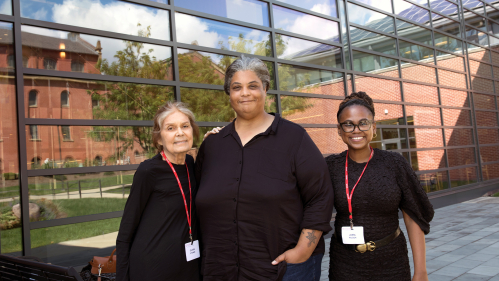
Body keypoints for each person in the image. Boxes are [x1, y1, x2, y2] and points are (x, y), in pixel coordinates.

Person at [195, 56, 334, 281]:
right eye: (236, 87)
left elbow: (320, 195)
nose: (245, 93)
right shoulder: (213, 145)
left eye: (253, 86)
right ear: (228, 93)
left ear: (266, 89)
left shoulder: (294, 138)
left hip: (283, 270)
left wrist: (304, 249)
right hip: (221, 271)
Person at [326, 92, 434, 281]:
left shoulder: (394, 164)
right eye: (348, 124)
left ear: (373, 127)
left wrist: (421, 270)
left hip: (391, 262)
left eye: (363, 123)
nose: (356, 130)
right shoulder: (330, 167)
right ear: (339, 130)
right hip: (345, 264)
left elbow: (412, 216)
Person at [116, 102, 201, 281]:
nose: (180, 132)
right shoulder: (149, 171)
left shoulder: (192, 166)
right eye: (170, 128)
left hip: (188, 267)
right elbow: (125, 233)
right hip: (153, 269)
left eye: (185, 126)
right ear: (159, 138)